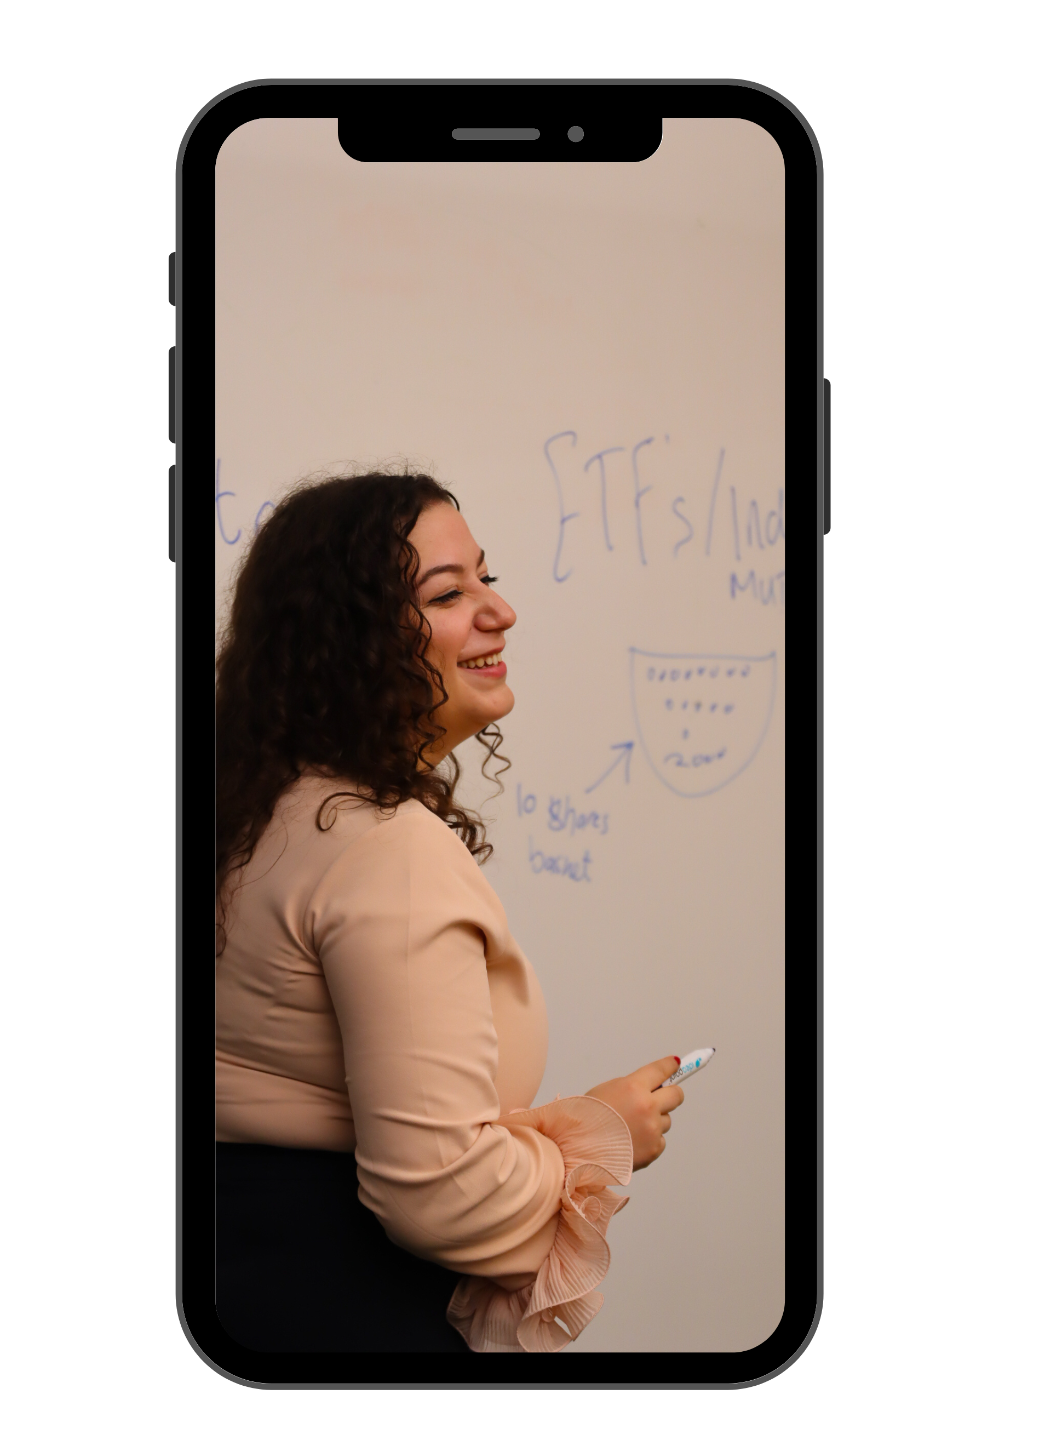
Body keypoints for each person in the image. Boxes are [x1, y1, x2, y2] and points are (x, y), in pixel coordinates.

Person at [214, 469, 685, 1353]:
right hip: (337, 1315)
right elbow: (441, 1194)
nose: (500, 612)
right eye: (447, 594)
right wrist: (600, 1137)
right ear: (350, 638)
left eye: (485, 579)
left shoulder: (253, 811)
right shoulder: (384, 849)